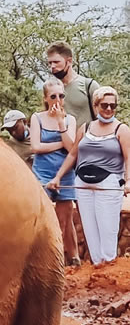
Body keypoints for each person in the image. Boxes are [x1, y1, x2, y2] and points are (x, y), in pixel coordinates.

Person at [49, 86, 130, 267]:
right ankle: (96, 268)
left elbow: (128, 157)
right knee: (90, 230)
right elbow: (73, 154)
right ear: (96, 106)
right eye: (104, 105)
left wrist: (128, 180)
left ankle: (108, 269)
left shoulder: (121, 129)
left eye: (112, 105)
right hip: (83, 182)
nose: (108, 109)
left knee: (107, 229)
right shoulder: (85, 128)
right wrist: (58, 177)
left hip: (109, 181)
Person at [31, 77, 79, 266]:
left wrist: (61, 123)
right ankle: (44, 258)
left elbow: (71, 150)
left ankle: (70, 259)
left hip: (65, 171)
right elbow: (36, 147)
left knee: (64, 220)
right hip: (42, 172)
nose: (57, 100)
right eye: (53, 96)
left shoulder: (70, 119)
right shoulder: (37, 118)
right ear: (46, 99)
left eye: (61, 95)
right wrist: (62, 143)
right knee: (41, 216)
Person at [46, 41, 99, 131]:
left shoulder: (89, 86)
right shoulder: (51, 90)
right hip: (59, 142)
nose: (52, 66)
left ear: (69, 61)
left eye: (56, 62)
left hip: (86, 142)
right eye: (50, 63)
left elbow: (102, 119)